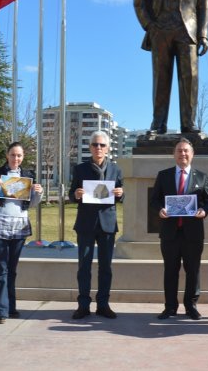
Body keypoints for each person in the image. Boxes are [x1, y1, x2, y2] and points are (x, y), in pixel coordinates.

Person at [134, 0, 208, 136]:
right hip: (160, 30)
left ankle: (189, 124)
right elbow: (139, 0)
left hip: (188, 31)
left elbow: (203, 3)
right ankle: (158, 124)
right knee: (160, 79)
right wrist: (150, 26)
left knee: (190, 78)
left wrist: (203, 33)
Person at [150, 138, 208, 320]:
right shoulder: (163, 175)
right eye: (179, 151)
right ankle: (170, 307)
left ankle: (191, 305)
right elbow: (154, 200)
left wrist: (204, 210)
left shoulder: (202, 177)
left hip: (193, 234)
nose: (183, 154)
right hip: (170, 233)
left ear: (192, 154)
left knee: (193, 271)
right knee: (170, 270)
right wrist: (159, 210)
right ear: (174, 154)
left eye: (186, 151)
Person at [0, 142, 43, 324]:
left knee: (12, 269)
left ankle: (10, 306)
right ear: (7, 155)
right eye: (13, 155)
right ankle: (0, 311)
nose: (16, 159)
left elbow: (31, 204)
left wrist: (38, 193)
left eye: (19, 156)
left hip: (19, 227)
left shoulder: (27, 176)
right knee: (1, 268)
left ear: (23, 157)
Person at [69, 131, 124, 319]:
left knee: (105, 267)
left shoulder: (116, 169)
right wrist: (75, 194)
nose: (98, 148)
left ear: (108, 148)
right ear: (90, 147)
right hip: (86, 223)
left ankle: (103, 304)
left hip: (107, 224)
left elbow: (121, 194)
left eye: (102, 145)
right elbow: (71, 193)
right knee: (84, 266)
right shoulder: (80, 169)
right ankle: (83, 305)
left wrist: (120, 193)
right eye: (95, 145)